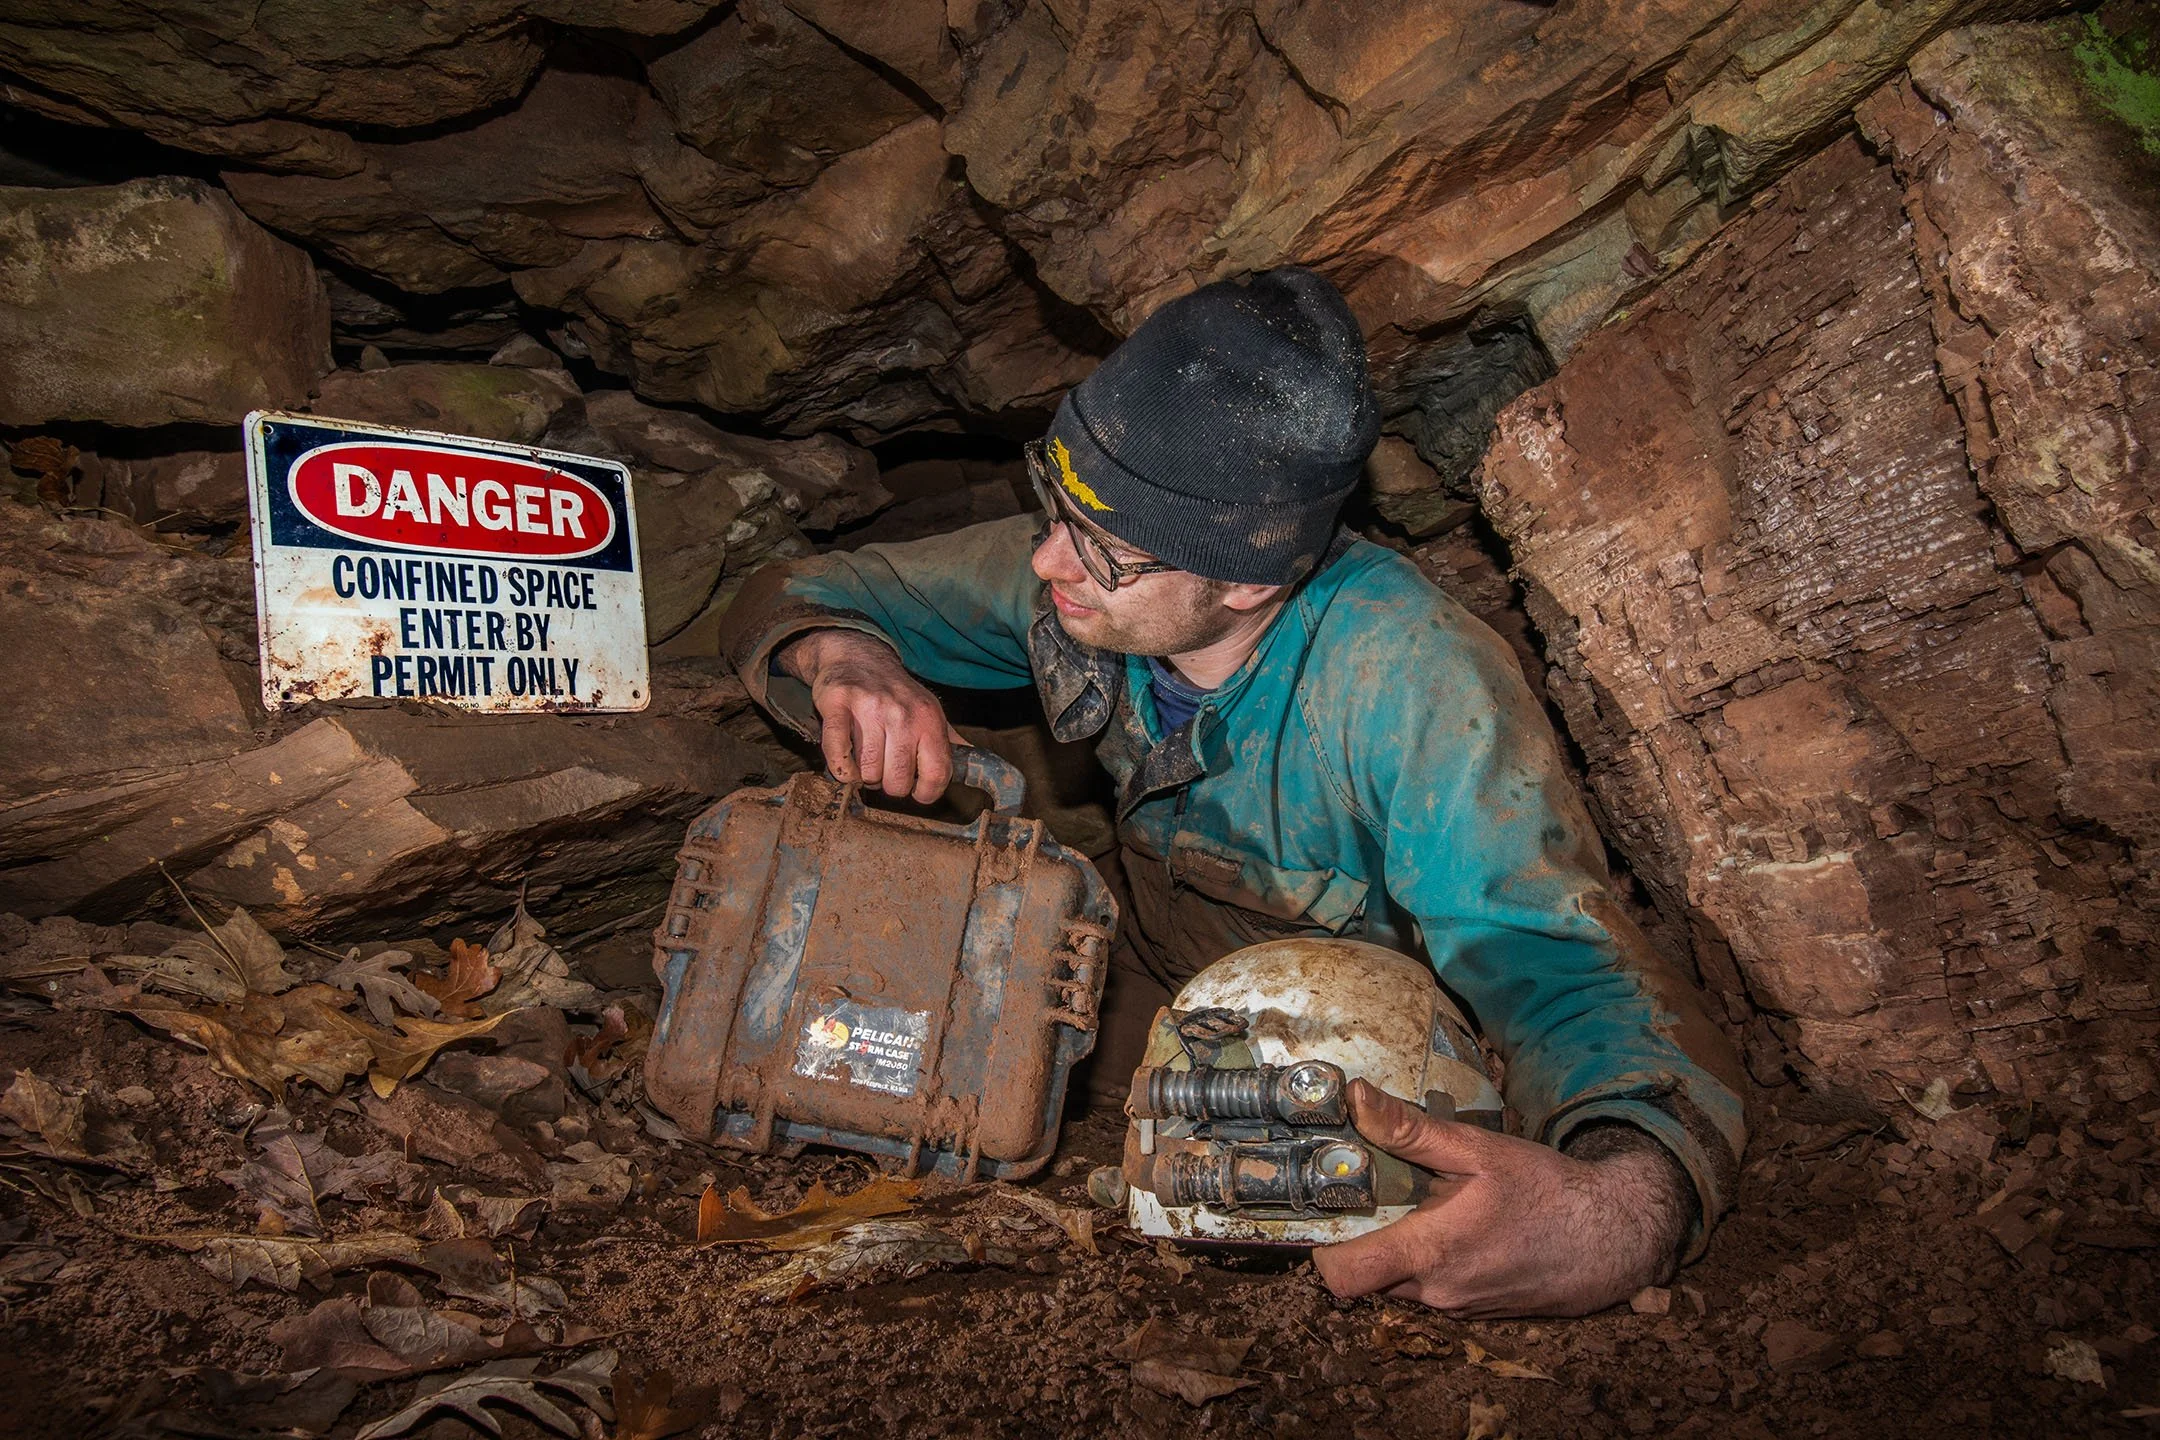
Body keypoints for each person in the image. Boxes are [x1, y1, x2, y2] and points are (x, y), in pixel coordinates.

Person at [716, 266, 1748, 1317]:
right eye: (1054, 505)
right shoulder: (1092, 584)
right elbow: (809, 586)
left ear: (1247, 581)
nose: (1048, 559)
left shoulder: (1413, 685)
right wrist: (848, 656)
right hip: (1149, 1004)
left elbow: (1568, 977)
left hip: (1323, 1096)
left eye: (1103, 550)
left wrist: (1623, 1202)